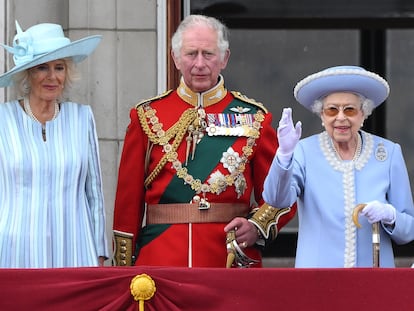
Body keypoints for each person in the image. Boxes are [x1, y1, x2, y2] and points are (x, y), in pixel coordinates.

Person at [113, 14, 296, 268]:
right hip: (160, 260)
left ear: (224, 59)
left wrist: (256, 227)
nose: (199, 63)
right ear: (175, 58)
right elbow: (127, 206)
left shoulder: (255, 118)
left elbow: (282, 196)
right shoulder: (147, 115)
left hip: (229, 261)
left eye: (208, 54)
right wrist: (123, 272)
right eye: (191, 54)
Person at [263, 65, 414, 268]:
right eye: (332, 110)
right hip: (318, 279)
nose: (340, 117)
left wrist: (391, 216)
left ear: (363, 114)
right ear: (322, 115)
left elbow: (409, 231)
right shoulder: (304, 152)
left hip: (373, 280)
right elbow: (276, 199)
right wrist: (284, 155)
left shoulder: (388, 153)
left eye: (349, 109)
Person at [0, 21, 109, 267]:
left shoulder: (82, 118)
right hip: (15, 252)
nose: (52, 77)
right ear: (27, 74)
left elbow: (94, 193)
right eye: (42, 68)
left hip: (76, 251)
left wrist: (99, 251)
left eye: (59, 68)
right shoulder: (3, 119)